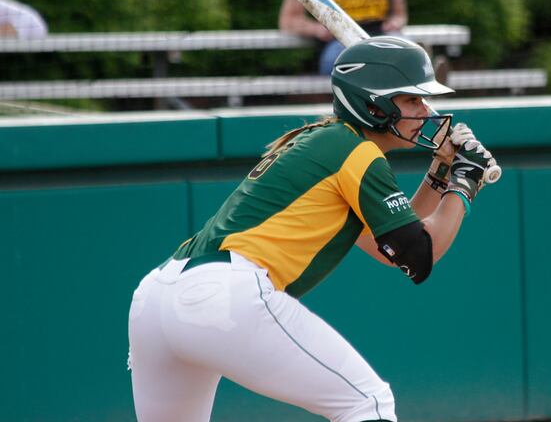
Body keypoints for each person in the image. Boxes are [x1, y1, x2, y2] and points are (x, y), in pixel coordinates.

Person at [127, 36, 496, 422]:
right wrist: (464, 182)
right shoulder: (357, 152)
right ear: (374, 106)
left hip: (156, 298)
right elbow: (420, 255)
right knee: (368, 403)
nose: (424, 111)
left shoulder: (326, 142)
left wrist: (442, 172)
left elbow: (392, 245)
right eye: (411, 100)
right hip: (227, 292)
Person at [279, 0, 408, 75]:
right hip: (338, 41)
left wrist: (395, 22)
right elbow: (288, 20)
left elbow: (400, 15)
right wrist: (316, 29)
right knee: (337, 60)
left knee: (407, 55)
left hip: (380, 36)